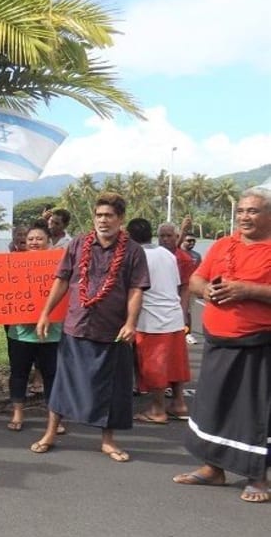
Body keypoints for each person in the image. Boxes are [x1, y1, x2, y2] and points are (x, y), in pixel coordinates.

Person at [31, 193, 149, 462]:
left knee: (113, 387)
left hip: (113, 330)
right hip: (76, 325)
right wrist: (45, 313)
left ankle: (107, 441)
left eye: (109, 216)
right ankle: (50, 432)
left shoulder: (133, 251)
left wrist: (131, 323)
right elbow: (62, 280)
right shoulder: (77, 244)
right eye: (99, 215)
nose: (103, 220)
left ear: (120, 219)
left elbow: (136, 289)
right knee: (63, 382)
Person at [174, 188, 271, 503]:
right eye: (241, 210)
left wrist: (247, 290)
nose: (245, 216)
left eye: (253, 211)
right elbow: (196, 280)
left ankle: (257, 477)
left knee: (253, 413)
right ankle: (212, 468)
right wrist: (207, 292)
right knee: (213, 405)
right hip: (219, 341)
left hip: (258, 345)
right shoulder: (221, 245)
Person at [130, 218, 191, 423]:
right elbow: (177, 284)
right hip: (173, 314)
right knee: (175, 363)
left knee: (153, 365)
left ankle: (157, 409)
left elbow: (134, 288)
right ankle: (179, 403)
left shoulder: (135, 255)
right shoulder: (167, 254)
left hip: (151, 318)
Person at [4, 223, 61, 431]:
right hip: (20, 333)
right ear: (24, 242)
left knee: (52, 376)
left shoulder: (60, 265)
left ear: (49, 242)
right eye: (31, 239)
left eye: (39, 239)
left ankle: (53, 419)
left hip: (51, 333)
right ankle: (18, 413)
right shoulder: (11, 264)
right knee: (18, 373)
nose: (35, 242)